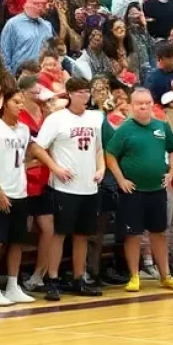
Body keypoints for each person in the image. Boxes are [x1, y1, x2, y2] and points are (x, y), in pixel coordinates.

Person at [32, 77, 111, 300]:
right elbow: (38, 147)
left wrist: (101, 168)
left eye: (87, 91)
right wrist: (54, 167)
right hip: (64, 187)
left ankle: (79, 278)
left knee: (83, 235)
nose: (85, 95)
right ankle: (53, 279)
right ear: (70, 94)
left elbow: (98, 148)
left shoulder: (95, 117)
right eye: (80, 92)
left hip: (89, 186)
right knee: (59, 233)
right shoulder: (57, 119)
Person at [104, 88, 173, 293]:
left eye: (147, 103)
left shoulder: (161, 127)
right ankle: (134, 276)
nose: (144, 107)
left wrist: (172, 172)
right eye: (140, 104)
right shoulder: (124, 129)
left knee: (159, 233)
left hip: (157, 189)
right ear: (131, 106)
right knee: (133, 235)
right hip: (133, 192)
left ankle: (165, 275)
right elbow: (110, 155)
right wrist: (120, 179)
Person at [0, 89, 35, 308]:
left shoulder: (24, 130)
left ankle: (13, 285)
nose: (20, 106)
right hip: (0, 192)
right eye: (15, 102)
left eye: (22, 102)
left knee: (17, 242)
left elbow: (23, 160)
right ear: (4, 103)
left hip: (20, 191)